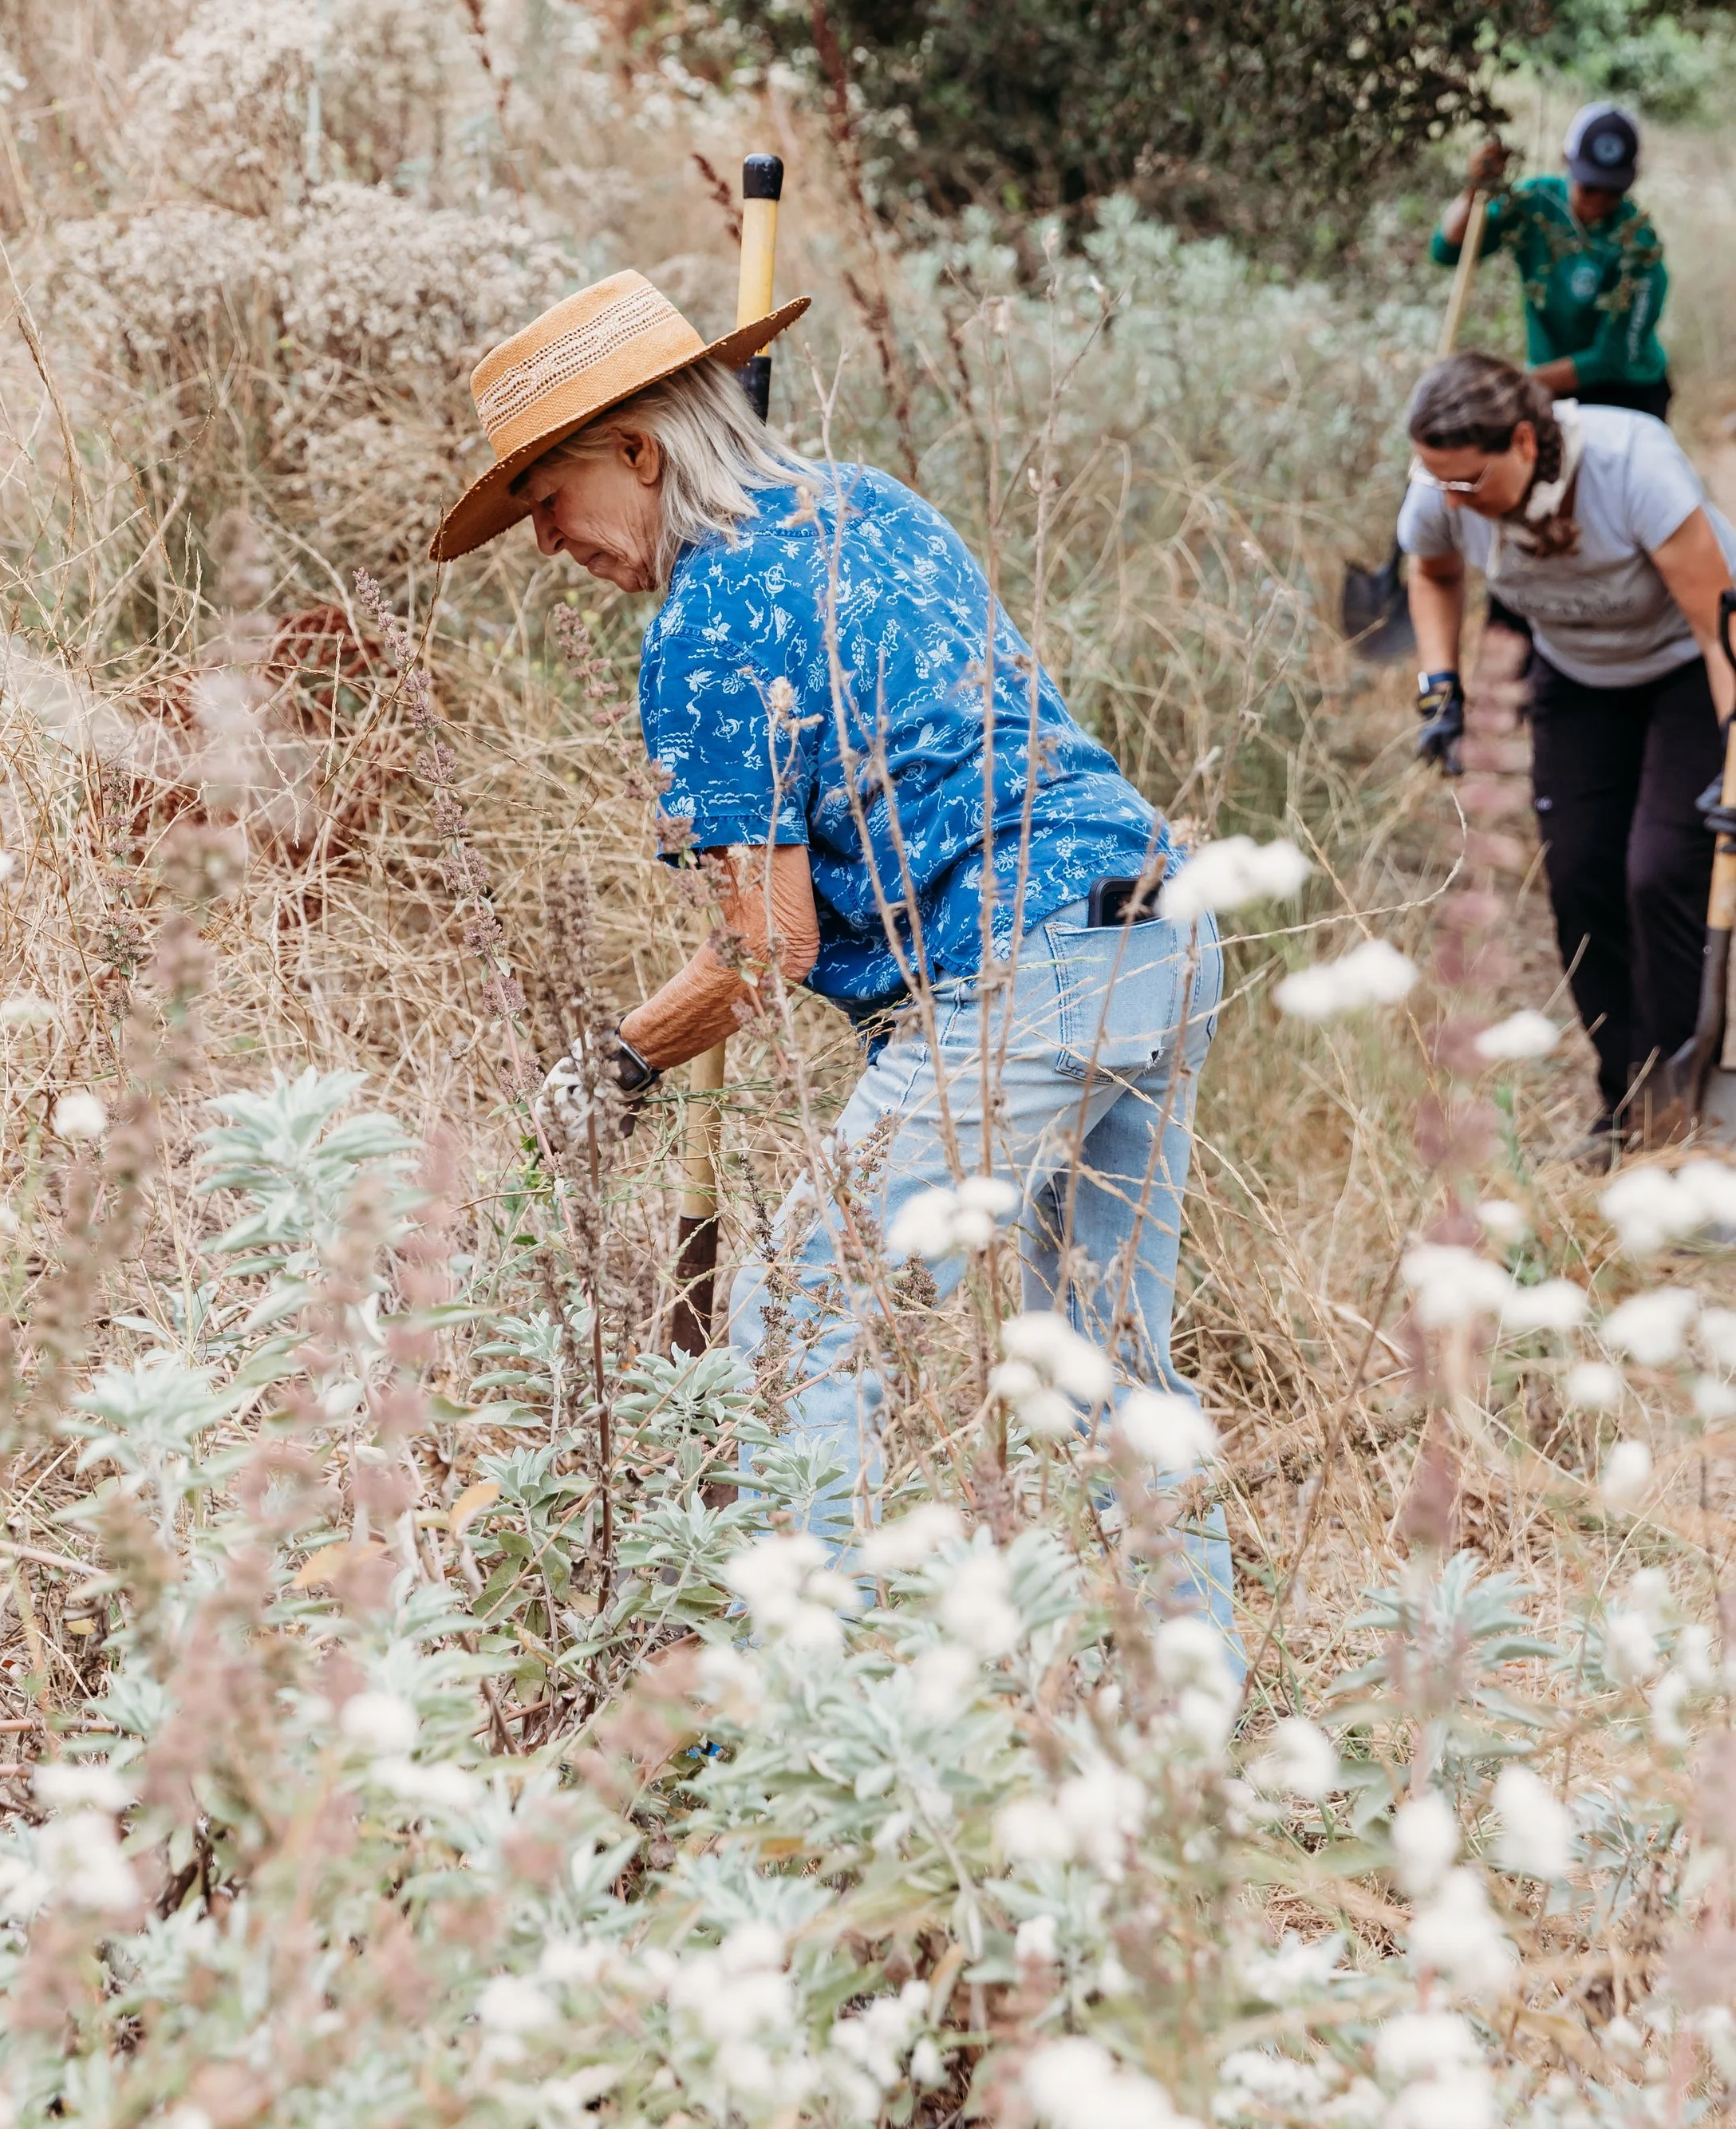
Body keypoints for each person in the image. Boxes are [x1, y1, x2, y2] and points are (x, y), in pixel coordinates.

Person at [431, 266, 1237, 1650]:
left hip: (1015, 982)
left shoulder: (701, 630)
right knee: (1108, 1361)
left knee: (807, 1321)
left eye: (548, 502)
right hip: (1164, 931)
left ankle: (812, 1731)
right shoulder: (865, 500)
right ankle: (1192, 1706)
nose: (550, 544)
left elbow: (765, 949)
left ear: (636, 449)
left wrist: (616, 1063)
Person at [1399, 350, 1736, 1151]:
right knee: (1582, 879)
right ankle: (1626, 1105)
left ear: (1521, 442)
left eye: (1466, 482)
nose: (1450, 497)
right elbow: (1432, 571)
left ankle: (1685, 1103)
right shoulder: (1442, 485)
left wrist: (1735, 760)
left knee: (1658, 873)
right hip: (1576, 675)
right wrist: (1437, 684)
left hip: (1690, 671)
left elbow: (1717, 625)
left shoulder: (1633, 466)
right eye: (1437, 480)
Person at [1433, 104, 1670, 421]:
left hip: (1625, 393)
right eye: (1589, 186)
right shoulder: (1535, 204)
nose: (1598, 201)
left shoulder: (1638, 245)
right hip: (1549, 386)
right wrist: (1474, 190)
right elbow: (1448, 250)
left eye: (1612, 191)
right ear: (1566, 162)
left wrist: (1509, 385)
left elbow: (1611, 357)